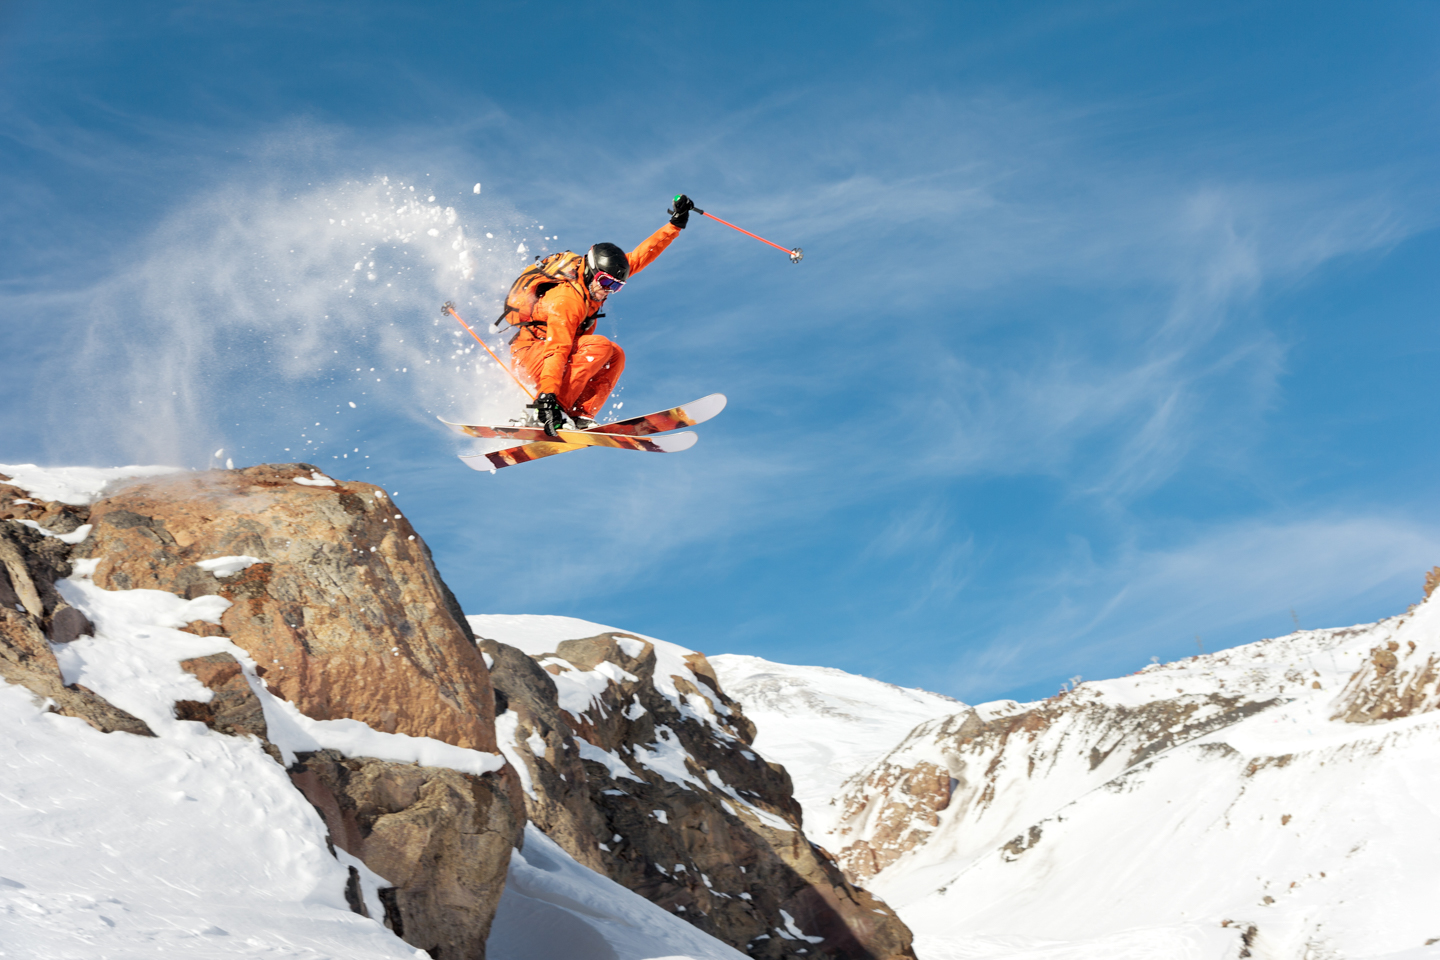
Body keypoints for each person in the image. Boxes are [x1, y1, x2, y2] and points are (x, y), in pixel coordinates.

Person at [509, 195, 695, 436]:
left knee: (615, 355)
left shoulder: (595, 283)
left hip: (552, 353)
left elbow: (640, 257)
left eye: (617, 286)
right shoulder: (566, 300)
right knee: (598, 346)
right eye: (606, 282)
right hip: (532, 353)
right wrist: (548, 396)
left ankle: (580, 414)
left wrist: (675, 225)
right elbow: (557, 349)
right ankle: (551, 412)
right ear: (590, 271)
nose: (608, 289)